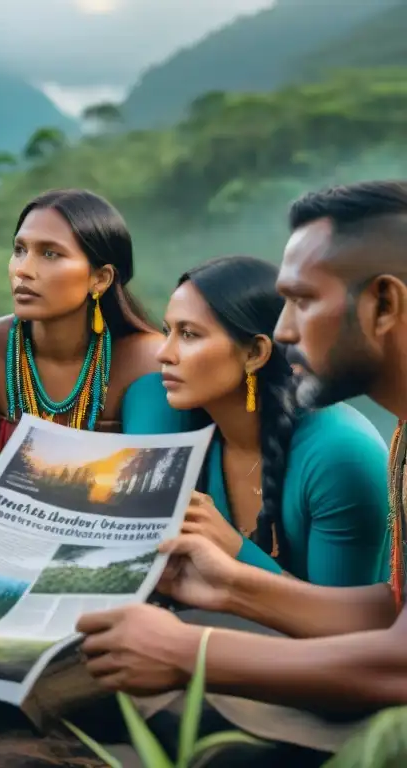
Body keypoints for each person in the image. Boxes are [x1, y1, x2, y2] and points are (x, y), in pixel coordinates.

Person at [76, 180, 407, 757]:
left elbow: (396, 666)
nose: (283, 330)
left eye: (303, 300)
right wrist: (230, 583)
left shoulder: (343, 450)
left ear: (383, 304)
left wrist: (186, 653)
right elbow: (389, 612)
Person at [0, 189, 201, 593]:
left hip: (101, 559)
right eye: (19, 250)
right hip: (1, 548)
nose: (23, 270)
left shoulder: (147, 360)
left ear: (100, 278)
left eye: (50, 254)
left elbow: (142, 512)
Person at [157, 255, 389, 585]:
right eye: (167, 331)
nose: (163, 353)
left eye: (189, 334)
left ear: (254, 354)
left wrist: (234, 549)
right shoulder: (189, 420)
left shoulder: (341, 454)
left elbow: (348, 621)